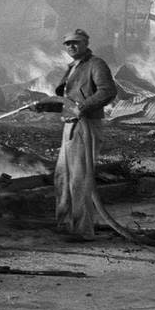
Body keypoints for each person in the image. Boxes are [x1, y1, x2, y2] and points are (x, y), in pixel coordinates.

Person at [36, 29, 117, 242]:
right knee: (63, 176)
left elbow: (107, 91)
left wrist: (83, 107)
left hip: (86, 125)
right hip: (70, 126)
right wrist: (43, 106)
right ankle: (65, 225)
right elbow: (68, 104)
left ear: (86, 43)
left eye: (76, 43)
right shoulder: (72, 68)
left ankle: (82, 230)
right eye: (68, 44)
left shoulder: (96, 64)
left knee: (80, 179)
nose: (72, 47)